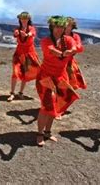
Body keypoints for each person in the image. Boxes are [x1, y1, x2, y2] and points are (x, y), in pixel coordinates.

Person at [35, 16, 79, 147]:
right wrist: (65, 53)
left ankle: (47, 131)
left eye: (61, 27)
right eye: (56, 27)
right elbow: (52, 51)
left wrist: (72, 50)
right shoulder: (45, 41)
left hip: (61, 77)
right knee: (46, 105)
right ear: (51, 27)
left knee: (56, 105)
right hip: (45, 78)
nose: (58, 29)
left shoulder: (69, 40)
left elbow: (76, 47)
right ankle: (39, 133)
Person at [8, 12, 41, 101]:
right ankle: (12, 93)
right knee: (15, 73)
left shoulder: (31, 28)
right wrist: (17, 33)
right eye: (22, 19)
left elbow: (32, 33)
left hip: (29, 53)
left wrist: (27, 35)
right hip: (19, 54)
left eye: (25, 19)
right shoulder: (17, 29)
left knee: (26, 73)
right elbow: (15, 34)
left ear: (28, 19)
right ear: (20, 20)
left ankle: (20, 92)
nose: (24, 20)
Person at [64, 17, 86, 90]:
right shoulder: (58, 34)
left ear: (72, 26)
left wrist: (72, 49)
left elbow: (79, 47)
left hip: (69, 62)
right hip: (57, 62)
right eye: (65, 25)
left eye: (68, 25)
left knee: (71, 84)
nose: (66, 27)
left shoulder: (75, 36)